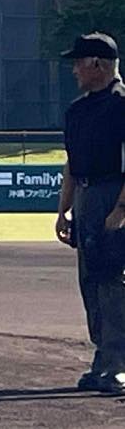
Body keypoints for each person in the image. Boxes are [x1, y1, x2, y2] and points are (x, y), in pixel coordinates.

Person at [56, 32, 125, 395]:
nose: (74, 70)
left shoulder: (121, 105)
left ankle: (118, 365)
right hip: (86, 196)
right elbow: (72, 163)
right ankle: (103, 359)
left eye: (78, 63)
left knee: (113, 281)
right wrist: (64, 210)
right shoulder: (78, 110)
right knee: (91, 281)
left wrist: (121, 209)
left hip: (113, 193)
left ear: (97, 64)